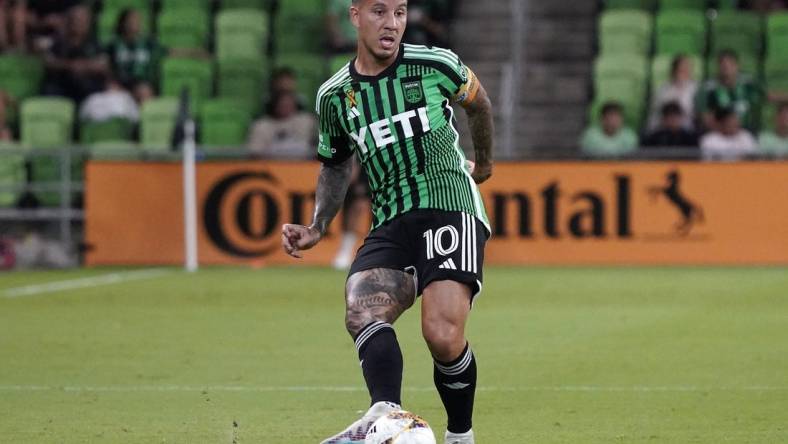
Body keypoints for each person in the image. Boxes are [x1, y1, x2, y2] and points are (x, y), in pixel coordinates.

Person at [281, 1, 494, 443]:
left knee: (441, 335)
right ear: (354, 15)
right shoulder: (335, 95)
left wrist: (485, 165)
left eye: (399, 12)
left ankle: (460, 435)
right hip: (391, 218)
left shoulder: (435, 64)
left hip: (450, 204)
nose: (392, 23)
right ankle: (387, 415)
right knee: (362, 308)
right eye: (380, 12)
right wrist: (318, 226)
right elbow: (336, 164)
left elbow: (479, 104)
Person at [43, 4, 107, 103]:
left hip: (87, 85)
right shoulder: (59, 42)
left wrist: (84, 66)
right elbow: (49, 63)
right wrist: (70, 66)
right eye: (75, 20)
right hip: (62, 83)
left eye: (82, 21)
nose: (78, 24)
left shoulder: (94, 44)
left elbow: (103, 65)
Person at [104, 8, 164, 104]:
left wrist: (193, 52)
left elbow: (169, 51)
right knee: (110, 92)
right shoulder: (113, 44)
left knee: (143, 91)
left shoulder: (148, 43)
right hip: (119, 83)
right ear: (123, 22)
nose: (134, 23)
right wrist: (112, 81)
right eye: (131, 20)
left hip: (142, 83)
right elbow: (106, 65)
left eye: (137, 20)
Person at [697, 50, 762, 132]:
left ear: (737, 66)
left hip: (745, 132)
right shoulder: (709, 88)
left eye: (730, 64)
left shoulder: (748, 83)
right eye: (723, 65)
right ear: (718, 67)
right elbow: (705, 116)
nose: (726, 68)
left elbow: (766, 96)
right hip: (719, 133)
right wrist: (725, 131)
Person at [246, 90, 316, 158]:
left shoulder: (307, 121)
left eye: (289, 104)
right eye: (282, 104)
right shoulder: (261, 125)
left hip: (305, 166)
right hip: (271, 166)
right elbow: (255, 153)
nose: (285, 107)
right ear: (273, 105)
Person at [647, 54, 698, 131]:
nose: (683, 72)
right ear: (674, 70)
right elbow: (655, 116)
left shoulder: (697, 89)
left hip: (688, 132)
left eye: (686, 69)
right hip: (664, 130)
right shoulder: (663, 90)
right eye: (680, 69)